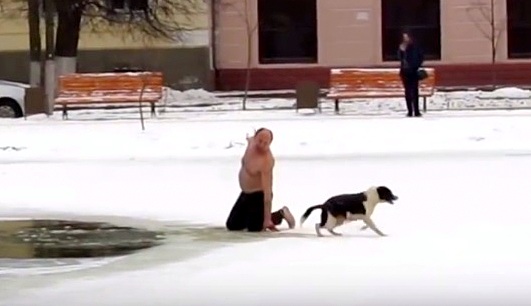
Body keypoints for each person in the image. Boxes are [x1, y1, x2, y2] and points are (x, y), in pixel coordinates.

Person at [225, 128, 296, 232]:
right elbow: (250, 139)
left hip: (259, 196)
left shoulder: (266, 161)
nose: (261, 145)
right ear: (255, 137)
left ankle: (279, 215)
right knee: (232, 226)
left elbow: (267, 192)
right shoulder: (252, 143)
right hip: (245, 194)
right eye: (260, 141)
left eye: (266, 143)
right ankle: (257, 217)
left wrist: (267, 220)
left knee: (255, 229)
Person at [397, 31, 424, 117]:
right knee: (407, 91)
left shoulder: (415, 46)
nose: (405, 39)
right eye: (404, 37)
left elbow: (420, 57)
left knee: (415, 91)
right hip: (405, 71)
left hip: (413, 70)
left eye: (407, 37)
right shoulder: (402, 46)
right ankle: (410, 111)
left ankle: (416, 111)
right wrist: (401, 51)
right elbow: (400, 58)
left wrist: (416, 65)